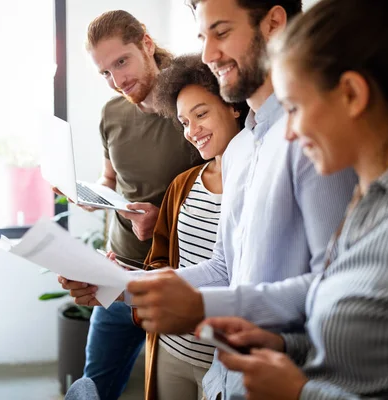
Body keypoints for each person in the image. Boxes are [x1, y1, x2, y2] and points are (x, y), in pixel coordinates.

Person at [64, 1, 357, 399]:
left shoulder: (309, 139)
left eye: (220, 33)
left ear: (274, 23)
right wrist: (117, 285)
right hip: (227, 379)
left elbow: (335, 290)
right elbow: (224, 268)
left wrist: (199, 307)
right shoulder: (239, 149)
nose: (207, 55)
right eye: (203, 37)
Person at [197, 0, 388, 398]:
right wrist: (283, 345)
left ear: (350, 94)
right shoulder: (366, 203)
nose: (288, 133)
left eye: (294, 108)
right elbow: (361, 346)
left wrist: (299, 393)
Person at [59, 10, 202, 400]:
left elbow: (218, 196)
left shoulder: (192, 107)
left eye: (121, 62)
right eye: (105, 72)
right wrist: (91, 197)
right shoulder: (112, 113)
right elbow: (112, 181)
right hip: (115, 273)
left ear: (147, 43)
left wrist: (163, 221)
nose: (117, 81)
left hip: (173, 279)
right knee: (95, 387)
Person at [137, 54, 249, 400]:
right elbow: (162, 260)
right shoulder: (183, 185)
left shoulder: (254, 184)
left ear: (233, 106)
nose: (192, 131)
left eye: (200, 114)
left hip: (223, 359)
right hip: (173, 350)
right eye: (184, 121)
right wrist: (129, 279)